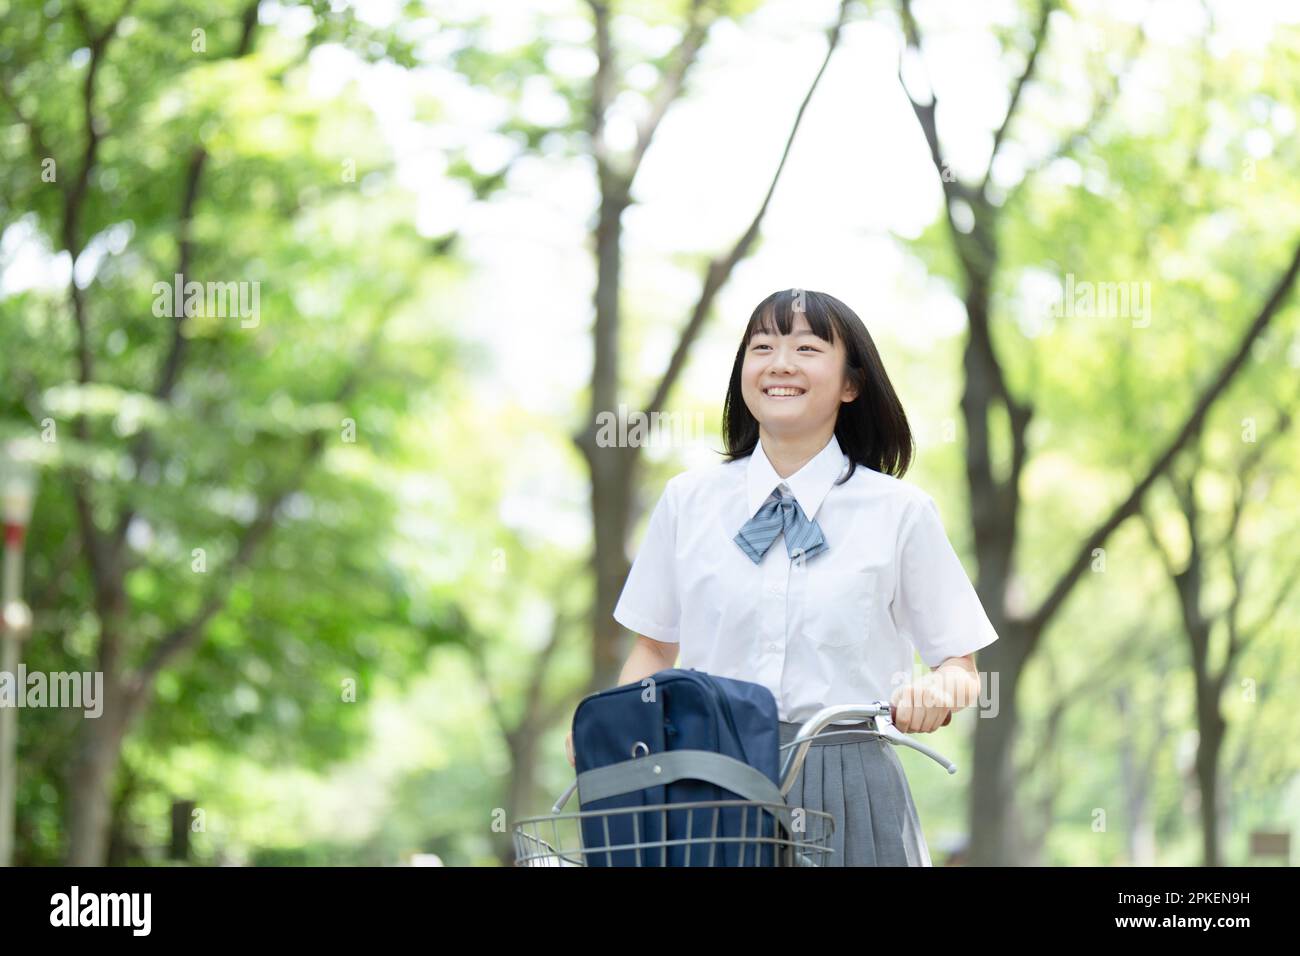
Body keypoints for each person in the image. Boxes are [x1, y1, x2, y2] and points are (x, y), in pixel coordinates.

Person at [566, 288, 998, 866]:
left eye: (808, 347)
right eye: (762, 346)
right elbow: (653, 650)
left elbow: (961, 665)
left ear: (851, 383)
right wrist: (615, 725)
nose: (780, 362)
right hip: (708, 779)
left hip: (850, 784)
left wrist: (937, 691)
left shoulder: (900, 512)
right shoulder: (687, 502)